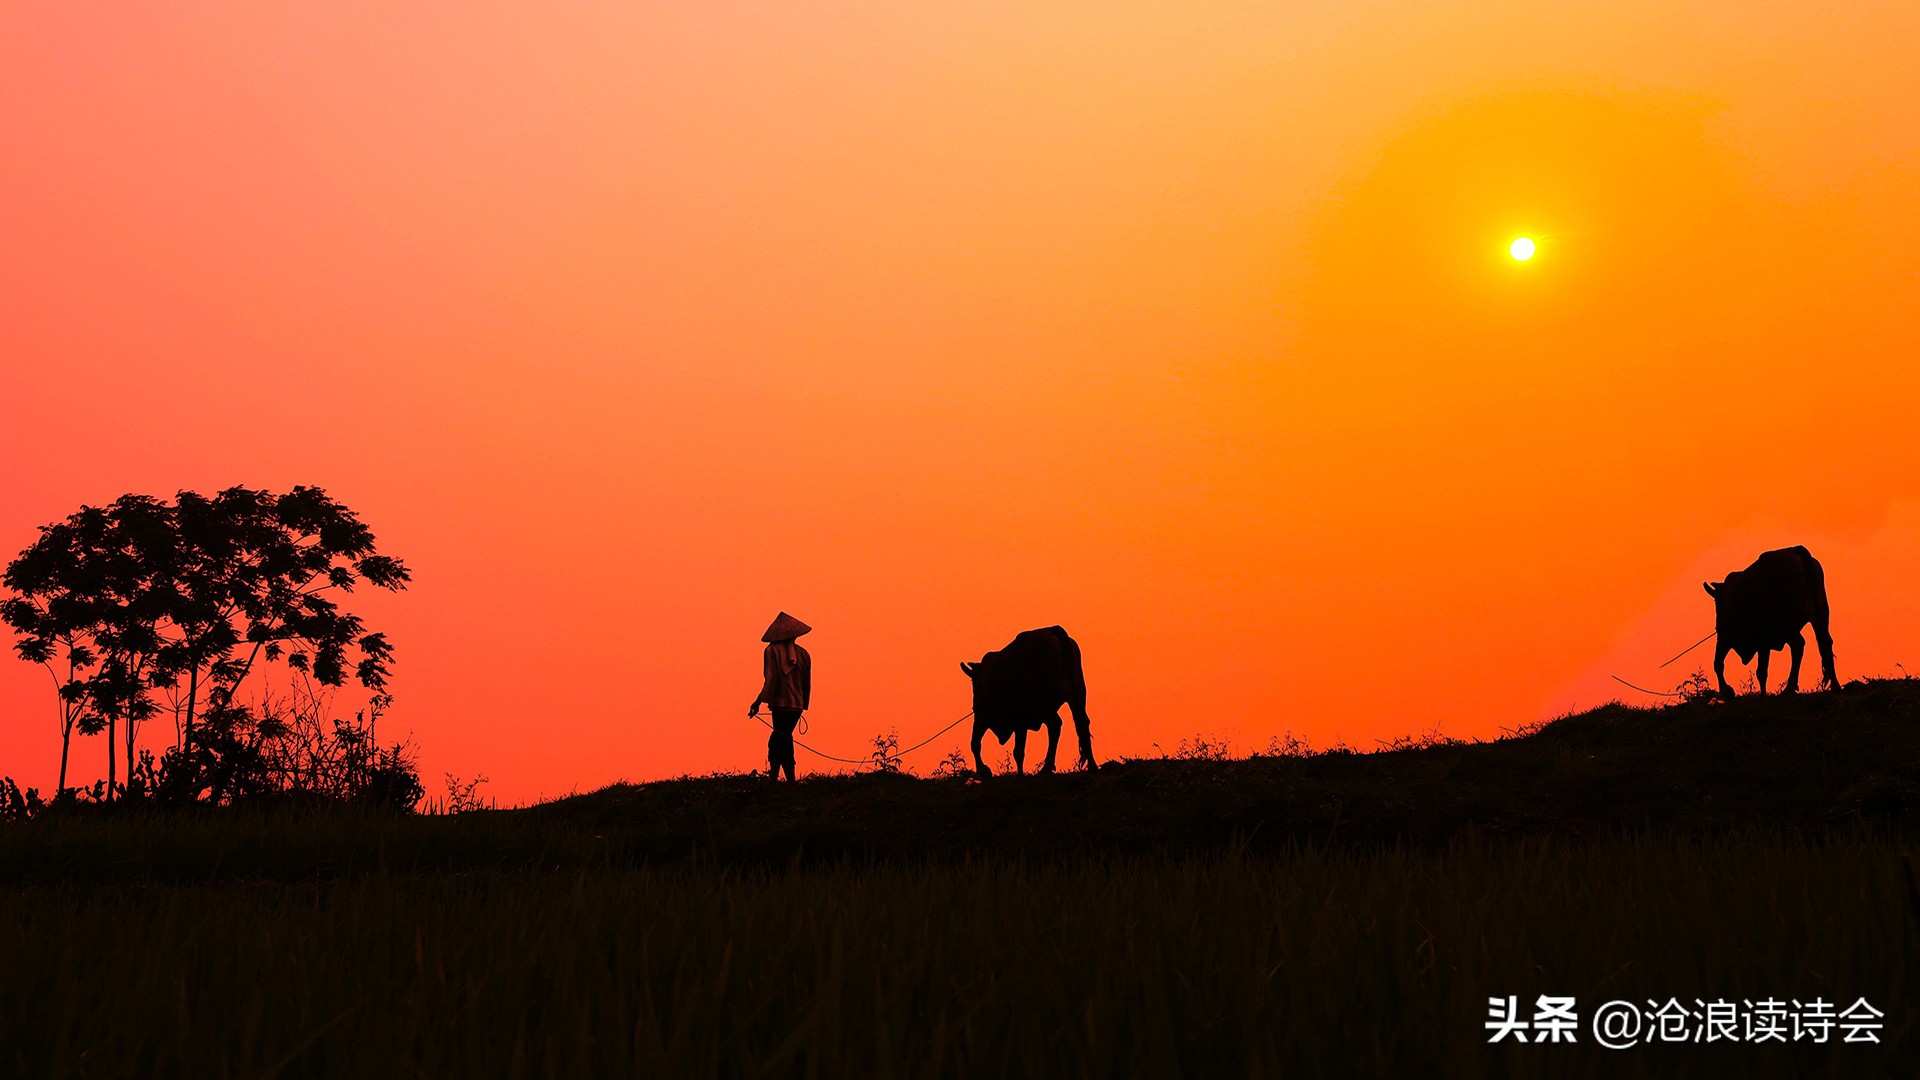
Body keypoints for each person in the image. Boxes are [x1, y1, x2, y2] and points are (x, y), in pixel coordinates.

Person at [748, 611, 812, 781]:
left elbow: (770, 680)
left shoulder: (771, 651)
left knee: (779, 738)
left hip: (781, 704)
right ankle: (783, 779)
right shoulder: (804, 654)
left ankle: (777, 779)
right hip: (796, 706)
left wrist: (758, 701)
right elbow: (807, 684)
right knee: (782, 738)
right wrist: (803, 705)